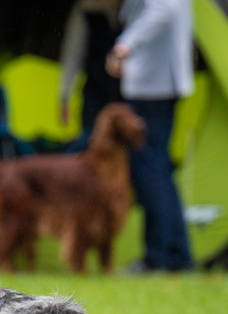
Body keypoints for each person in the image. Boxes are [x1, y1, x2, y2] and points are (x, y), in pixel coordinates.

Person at [106, 0, 194, 273]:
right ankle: (177, 255)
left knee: (150, 172)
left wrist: (124, 46)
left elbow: (161, 10)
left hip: (153, 87)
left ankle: (157, 257)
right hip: (160, 84)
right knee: (160, 170)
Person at [58, 0, 124, 152]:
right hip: (95, 90)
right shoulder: (85, 9)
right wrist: (64, 95)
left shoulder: (136, 7)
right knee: (89, 144)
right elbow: (72, 54)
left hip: (128, 93)